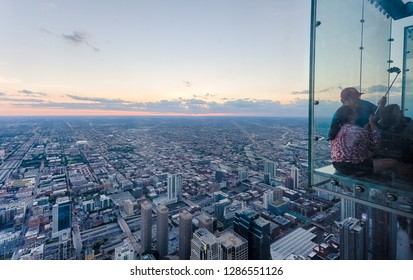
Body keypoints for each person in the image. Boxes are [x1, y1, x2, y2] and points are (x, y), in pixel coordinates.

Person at [328, 105, 397, 176]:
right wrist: (372, 123)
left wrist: (364, 130)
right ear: (350, 116)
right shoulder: (355, 130)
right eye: (354, 112)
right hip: (353, 166)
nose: (357, 113)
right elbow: (375, 145)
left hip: (338, 165)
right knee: (393, 163)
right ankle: (401, 182)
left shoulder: (339, 129)